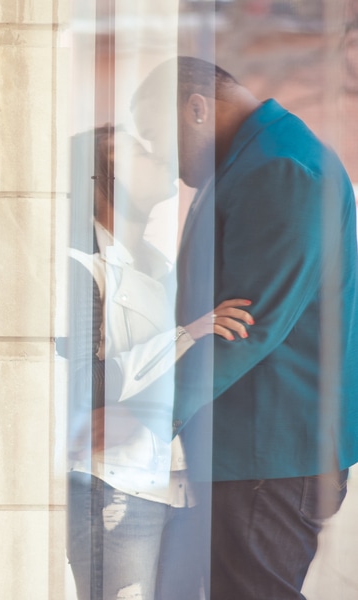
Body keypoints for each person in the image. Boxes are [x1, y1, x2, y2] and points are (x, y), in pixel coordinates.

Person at [131, 56, 358, 599]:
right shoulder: (254, 159)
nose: (162, 162)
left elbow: (248, 326)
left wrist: (148, 420)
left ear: (197, 108)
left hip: (266, 452)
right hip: (252, 448)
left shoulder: (279, 167)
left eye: (157, 140)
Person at [65, 125, 251, 600]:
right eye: (140, 149)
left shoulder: (164, 265)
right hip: (113, 489)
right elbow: (85, 386)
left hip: (174, 485)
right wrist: (186, 335)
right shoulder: (79, 266)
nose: (160, 154)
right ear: (101, 176)